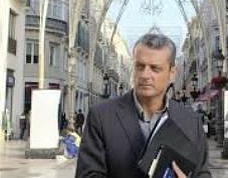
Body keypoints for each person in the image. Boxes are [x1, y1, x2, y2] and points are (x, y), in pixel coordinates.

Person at [76, 33, 211, 178]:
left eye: (155, 68)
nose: (145, 75)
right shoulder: (102, 117)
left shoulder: (190, 121)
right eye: (140, 66)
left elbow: (202, 173)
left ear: (172, 73)